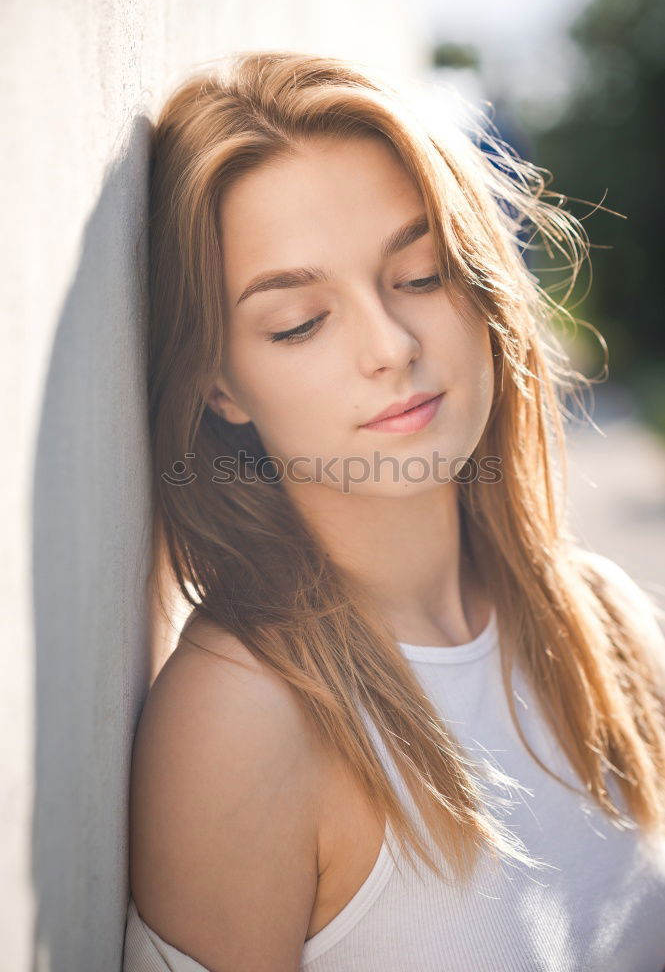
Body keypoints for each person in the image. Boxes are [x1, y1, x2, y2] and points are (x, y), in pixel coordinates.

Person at [122, 49, 665, 972]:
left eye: (419, 275)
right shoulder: (240, 721)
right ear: (220, 385)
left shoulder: (603, 619)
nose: (390, 345)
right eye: (298, 321)